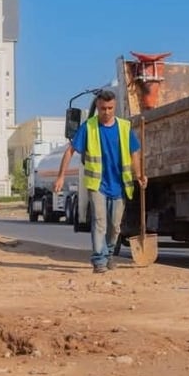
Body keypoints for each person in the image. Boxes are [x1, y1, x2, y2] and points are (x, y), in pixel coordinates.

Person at [53, 89, 146, 273]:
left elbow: (134, 152)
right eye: (103, 108)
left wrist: (139, 174)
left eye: (110, 108)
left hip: (119, 185)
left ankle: (109, 253)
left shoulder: (124, 127)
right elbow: (70, 151)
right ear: (97, 106)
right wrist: (61, 176)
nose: (106, 112)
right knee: (99, 222)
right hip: (98, 185)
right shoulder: (89, 127)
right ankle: (99, 260)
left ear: (115, 106)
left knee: (115, 226)